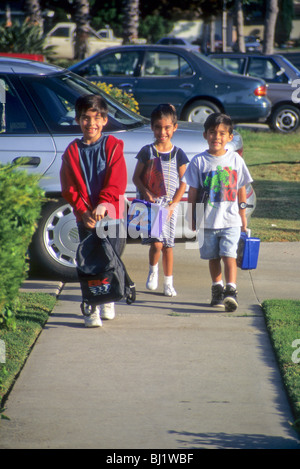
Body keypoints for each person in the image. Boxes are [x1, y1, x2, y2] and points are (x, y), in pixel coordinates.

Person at [60, 94, 127, 327]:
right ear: (78, 120)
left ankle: (108, 298)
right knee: (90, 262)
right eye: (86, 118)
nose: (91, 124)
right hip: (86, 218)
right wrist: (83, 211)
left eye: (97, 118)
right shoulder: (71, 151)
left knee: (110, 260)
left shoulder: (113, 146)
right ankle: (91, 305)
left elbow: (117, 180)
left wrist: (104, 203)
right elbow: (68, 187)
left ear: (105, 120)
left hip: (111, 215)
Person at [184, 112, 253, 311]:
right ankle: (217, 288)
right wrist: (192, 217)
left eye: (222, 133)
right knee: (212, 257)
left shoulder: (235, 160)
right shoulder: (198, 161)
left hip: (231, 220)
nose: (217, 137)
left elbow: (241, 188)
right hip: (207, 222)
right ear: (205, 135)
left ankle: (231, 291)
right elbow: (193, 192)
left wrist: (242, 215)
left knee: (229, 255)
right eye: (213, 132)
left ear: (230, 137)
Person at [132, 103, 189, 296]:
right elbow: (136, 177)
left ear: (174, 127)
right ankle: (153, 270)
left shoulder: (179, 153)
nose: (162, 132)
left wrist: (174, 204)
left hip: (169, 207)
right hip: (151, 206)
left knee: (168, 245)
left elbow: (184, 182)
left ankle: (168, 282)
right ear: (152, 127)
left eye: (167, 127)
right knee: (156, 243)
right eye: (158, 127)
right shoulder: (147, 151)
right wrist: (146, 193)